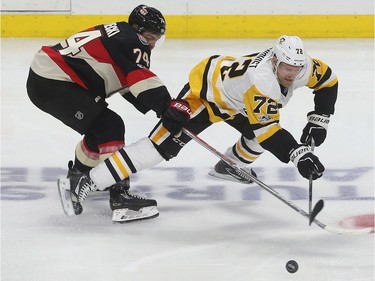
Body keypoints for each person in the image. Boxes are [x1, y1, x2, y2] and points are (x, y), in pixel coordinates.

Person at [59, 35, 338, 218]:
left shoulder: (305, 68)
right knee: (159, 149)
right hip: (204, 95)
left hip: (238, 101)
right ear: (275, 60)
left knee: (256, 137)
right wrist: (300, 154)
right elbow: (269, 132)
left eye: (297, 68)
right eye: (287, 67)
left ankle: (231, 164)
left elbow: (328, 83)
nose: (292, 73)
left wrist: (319, 119)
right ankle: (88, 181)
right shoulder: (262, 81)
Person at [26, 5, 192, 223]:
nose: (152, 44)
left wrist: (159, 107)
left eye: (157, 39)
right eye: (151, 37)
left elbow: (126, 78)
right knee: (109, 126)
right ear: (139, 30)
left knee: (100, 128)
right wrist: (167, 107)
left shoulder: (121, 33)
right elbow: (139, 77)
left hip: (46, 77)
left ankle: (78, 175)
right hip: (55, 81)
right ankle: (119, 194)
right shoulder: (132, 41)